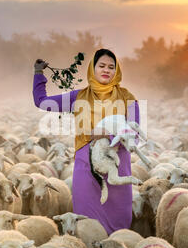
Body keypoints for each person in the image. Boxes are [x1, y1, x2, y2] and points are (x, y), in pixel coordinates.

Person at [32, 49, 140, 235]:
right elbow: (42, 102)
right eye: (102, 66)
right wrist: (38, 74)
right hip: (87, 170)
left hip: (117, 169)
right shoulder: (79, 96)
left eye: (111, 67)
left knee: (120, 228)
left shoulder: (127, 98)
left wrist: (108, 134)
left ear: (117, 71)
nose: (106, 70)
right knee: (86, 226)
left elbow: (134, 135)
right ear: (93, 68)